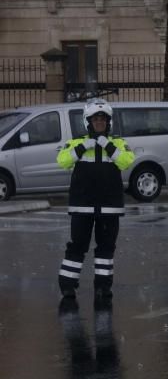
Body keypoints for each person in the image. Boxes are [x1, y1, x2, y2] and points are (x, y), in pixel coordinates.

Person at [56, 99, 135, 303]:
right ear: (88, 122)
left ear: (108, 122)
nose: (99, 122)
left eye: (102, 119)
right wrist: (83, 146)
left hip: (109, 207)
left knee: (106, 249)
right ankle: (67, 287)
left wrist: (106, 145)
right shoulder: (76, 142)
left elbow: (126, 161)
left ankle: (102, 288)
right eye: (95, 119)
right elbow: (62, 161)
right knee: (77, 246)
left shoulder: (117, 143)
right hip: (82, 205)